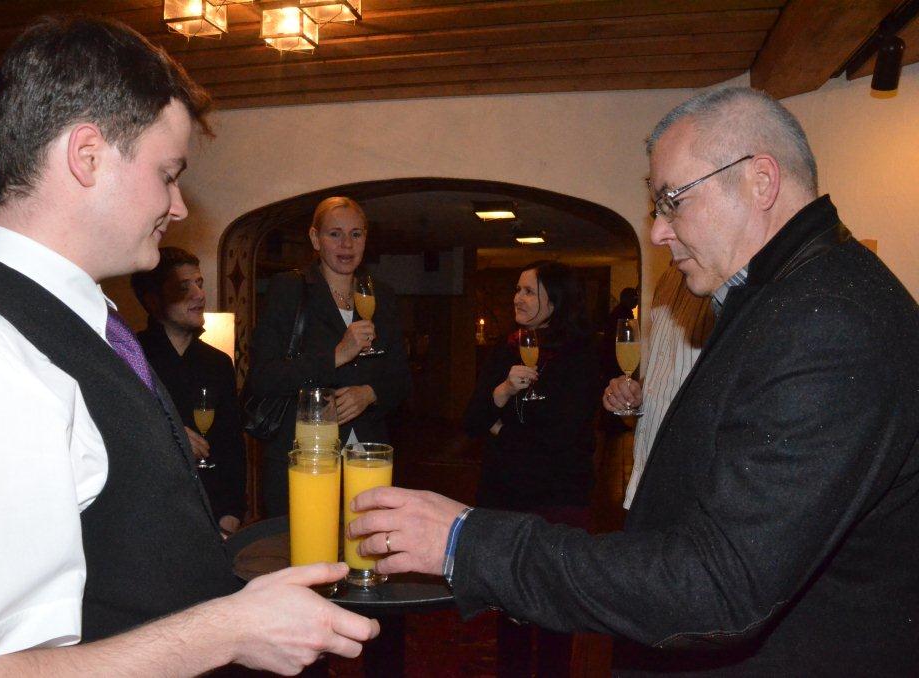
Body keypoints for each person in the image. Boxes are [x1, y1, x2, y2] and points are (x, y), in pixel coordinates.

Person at [346, 87, 919, 675]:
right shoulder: (786, 299)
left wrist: (466, 542)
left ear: (761, 181)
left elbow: (716, 588)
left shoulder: (830, 321)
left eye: (672, 200)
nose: (658, 232)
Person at [0, 15, 377, 676]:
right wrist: (229, 631)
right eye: (167, 173)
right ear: (87, 155)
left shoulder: (82, 320)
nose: (178, 206)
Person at [462, 260, 598, 676]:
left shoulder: (580, 354)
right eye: (517, 290)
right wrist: (503, 391)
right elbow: (471, 422)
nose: (516, 299)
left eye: (527, 291)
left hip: (558, 499)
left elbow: (563, 435)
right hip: (505, 498)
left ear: (553, 301)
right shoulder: (506, 348)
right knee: (510, 609)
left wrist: (503, 430)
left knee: (555, 607)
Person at [246, 196, 411, 518]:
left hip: (366, 457)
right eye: (335, 234)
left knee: (364, 542)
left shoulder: (382, 295)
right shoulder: (289, 289)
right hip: (305, 455)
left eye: (356, 234)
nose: (346, 244)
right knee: (307, 544)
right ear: (315, 238)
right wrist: (336, 355)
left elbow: (402, 379)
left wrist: (370, 393)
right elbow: (263, 377)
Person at [132, 246, 246, 535]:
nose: (199, 294)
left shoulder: (218, 362)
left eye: (199, 283)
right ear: (153, 301)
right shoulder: (131, 357)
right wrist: (169, 434)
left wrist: (231, 514)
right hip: (149, 515)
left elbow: (232, 446)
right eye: (184, 287)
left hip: (211, 517)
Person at [602, 264, 714, 508]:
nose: (660, 242)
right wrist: (637, 391)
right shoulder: (667, 279)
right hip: (647, 473)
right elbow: (665, 369)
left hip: (689, 482)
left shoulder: (725, 279)